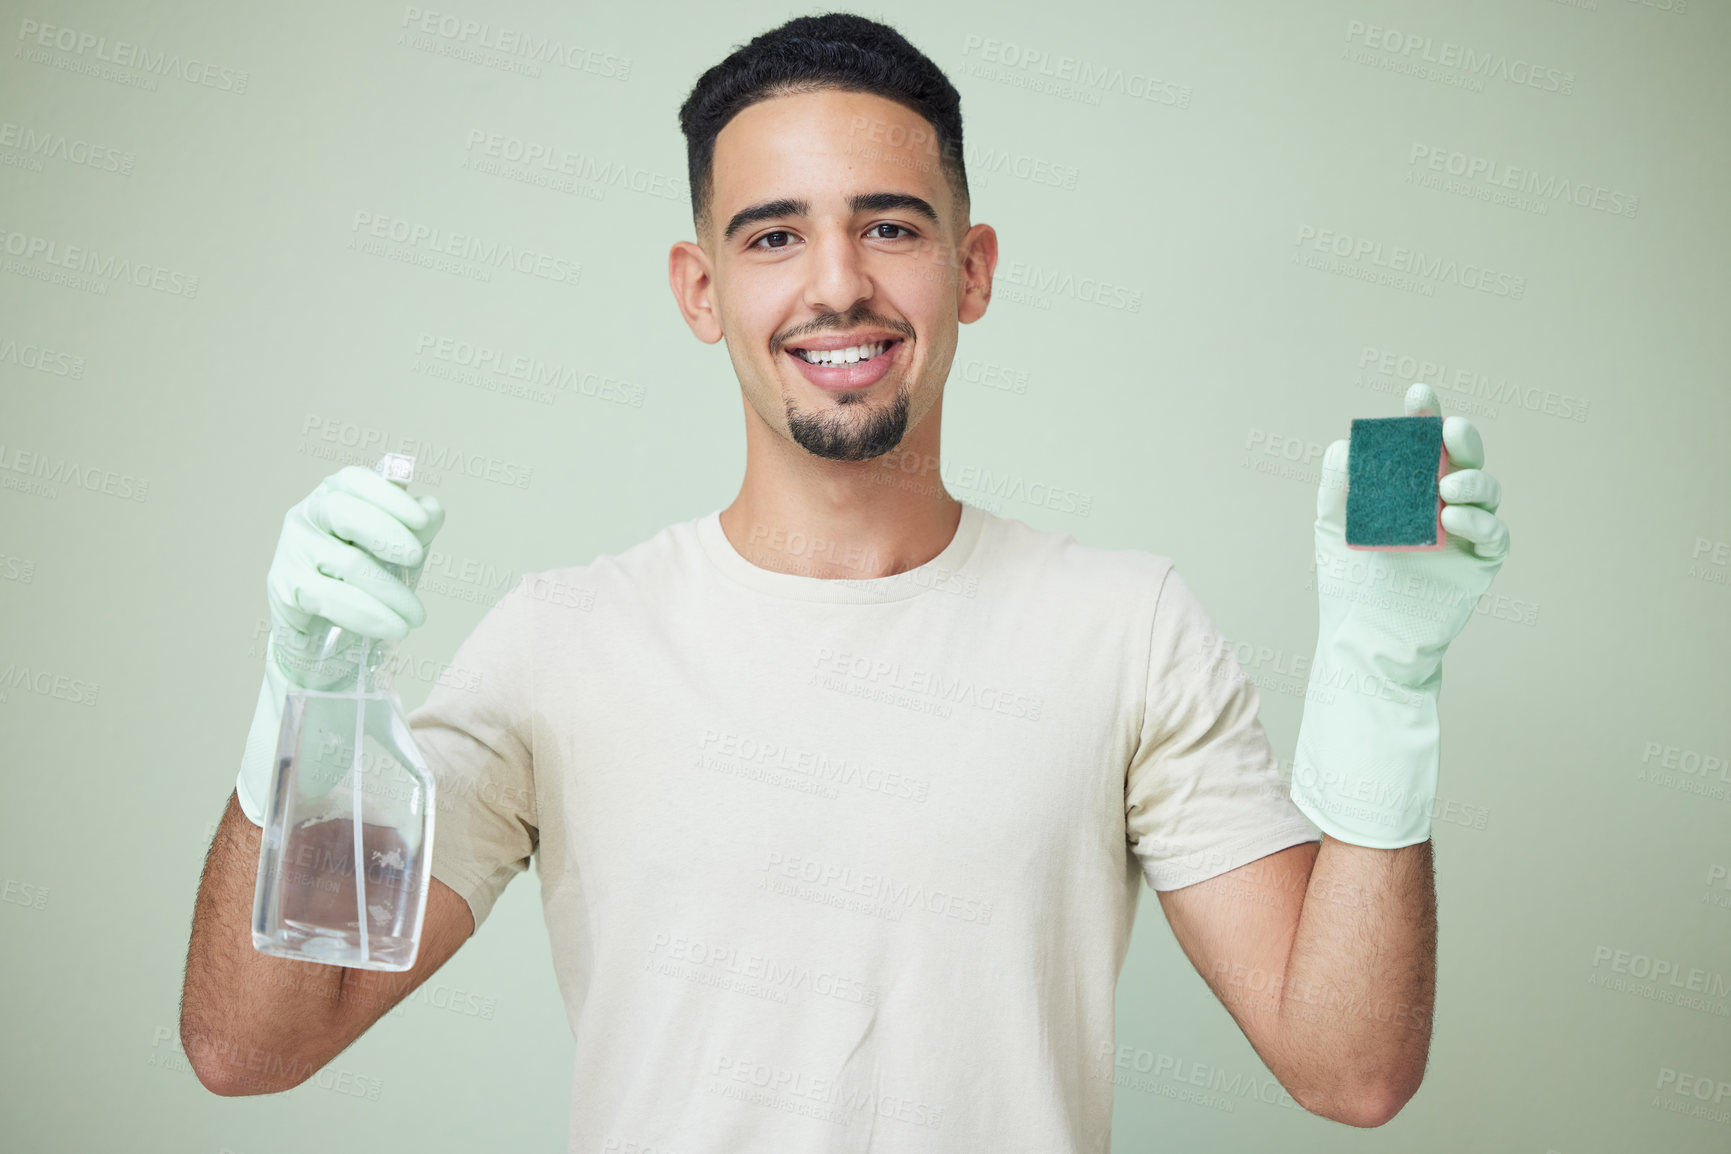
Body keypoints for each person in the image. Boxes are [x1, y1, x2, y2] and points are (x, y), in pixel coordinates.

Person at [180, 13, 1509, 1150]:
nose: (838, 285)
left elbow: (1349, 1068)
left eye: (889, 225)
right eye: (772, 237)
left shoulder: (1126, 629)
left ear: (970, 267)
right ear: (699, 290)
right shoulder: (559, 644)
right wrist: (301, 715)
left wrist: (1383, 681)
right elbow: (252, 1044)